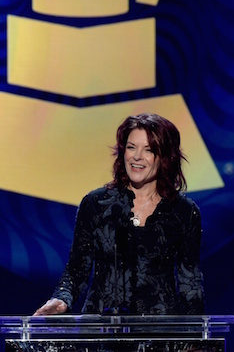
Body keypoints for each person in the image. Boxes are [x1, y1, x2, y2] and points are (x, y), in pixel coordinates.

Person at [34, 113, 205, 316]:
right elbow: (77, 269)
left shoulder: (184, 212)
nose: (137, 156)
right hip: (102, 329)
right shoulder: (96, 204)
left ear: (165, 157)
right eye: (131, 147)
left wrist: (197, 337)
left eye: (148, 150)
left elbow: (189, 280)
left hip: (160, 330)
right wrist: (61, 299)